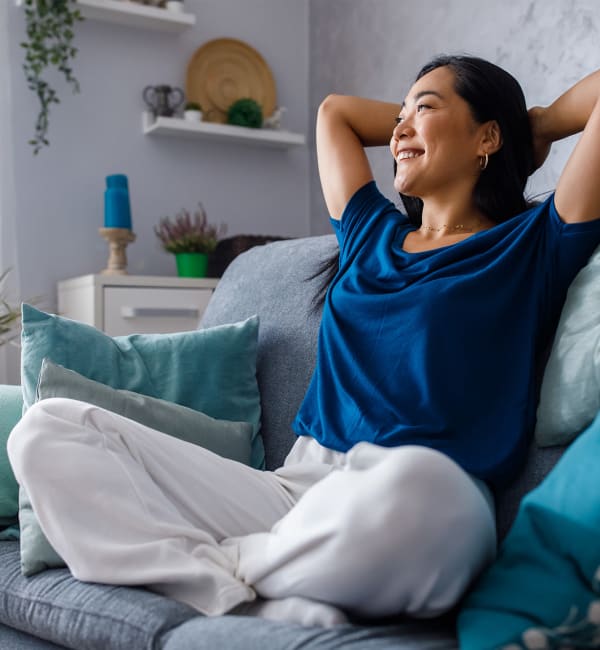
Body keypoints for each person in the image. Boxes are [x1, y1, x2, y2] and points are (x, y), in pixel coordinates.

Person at [7, 55, 600, 628]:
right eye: (397, 116)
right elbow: (333, 113)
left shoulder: (533, 244)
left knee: (425, 499)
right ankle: (254, 589)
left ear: (486, 137)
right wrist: (423, 115)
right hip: (296, 488)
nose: (398, 129)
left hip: (422, 489)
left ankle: (229, 572)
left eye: (423, 108)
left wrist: (535, 124)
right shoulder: (372, 235)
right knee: (48, 429)